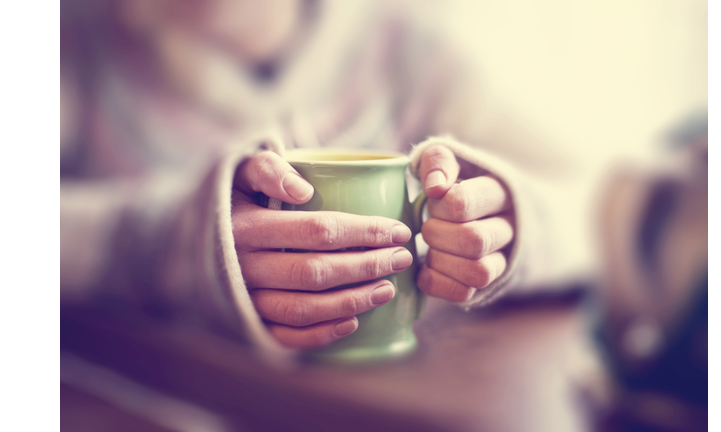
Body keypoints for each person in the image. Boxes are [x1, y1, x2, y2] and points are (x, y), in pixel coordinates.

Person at [61, 0, 589, 353]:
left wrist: (513, 223)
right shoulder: (70, 42)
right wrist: (166, 241)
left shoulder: (411, 57)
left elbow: (594, 212)